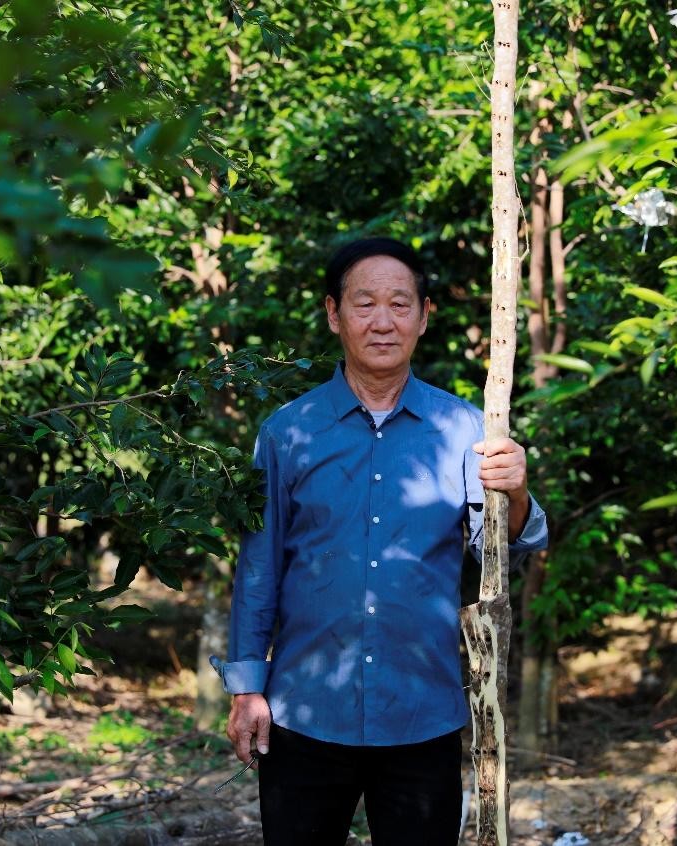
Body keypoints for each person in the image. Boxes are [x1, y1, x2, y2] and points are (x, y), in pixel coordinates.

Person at [213, 237, 548, 846]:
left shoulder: (466, 430)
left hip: (422, 713)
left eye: (400, 303)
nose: (383, 321)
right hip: (305, 712)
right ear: (334, 314)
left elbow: (497, 552)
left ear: (424, 316)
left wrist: (516, 492)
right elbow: (259, 567)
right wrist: (247, 688)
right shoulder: (288, 433)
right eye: (364, 303)